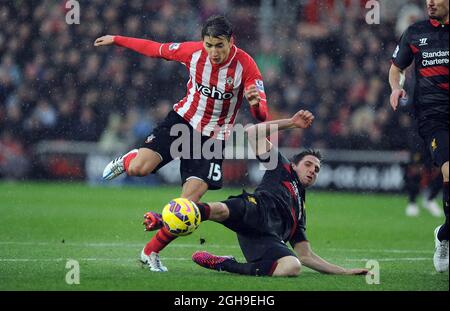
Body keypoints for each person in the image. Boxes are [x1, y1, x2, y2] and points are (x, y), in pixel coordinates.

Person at [94, 15, 269, 271]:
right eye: (209, 45)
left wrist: (255, 105)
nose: (214, 51)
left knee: (188, 208)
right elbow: (155, 49)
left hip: (212, 137)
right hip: (182, 121)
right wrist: (118, 40)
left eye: (219, 45)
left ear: (232, 41)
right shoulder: (193, 52)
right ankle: (127, 161)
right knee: (140, 169)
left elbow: (261, 114)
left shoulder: (247, 65)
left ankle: (149, 252)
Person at [143, 109, 370, 276]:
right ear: (295, 164)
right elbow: (252, 133)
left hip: (264, 240)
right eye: (309, 164)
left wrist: (345, 272)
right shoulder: (282, 168)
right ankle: (163, 218)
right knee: (218, 209)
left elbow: (305, 256)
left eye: (317, 169)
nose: (312, 170)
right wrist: (290, 123)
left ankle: (225, 264)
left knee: (292, 267)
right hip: (254, 207)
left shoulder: (300, 211)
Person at [389, 0, 448, 272]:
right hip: (434, 119)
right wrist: (395, 88)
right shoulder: (415, 32)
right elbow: (396, 68)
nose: (430, 2)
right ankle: (416, 201)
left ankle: (443, 234)